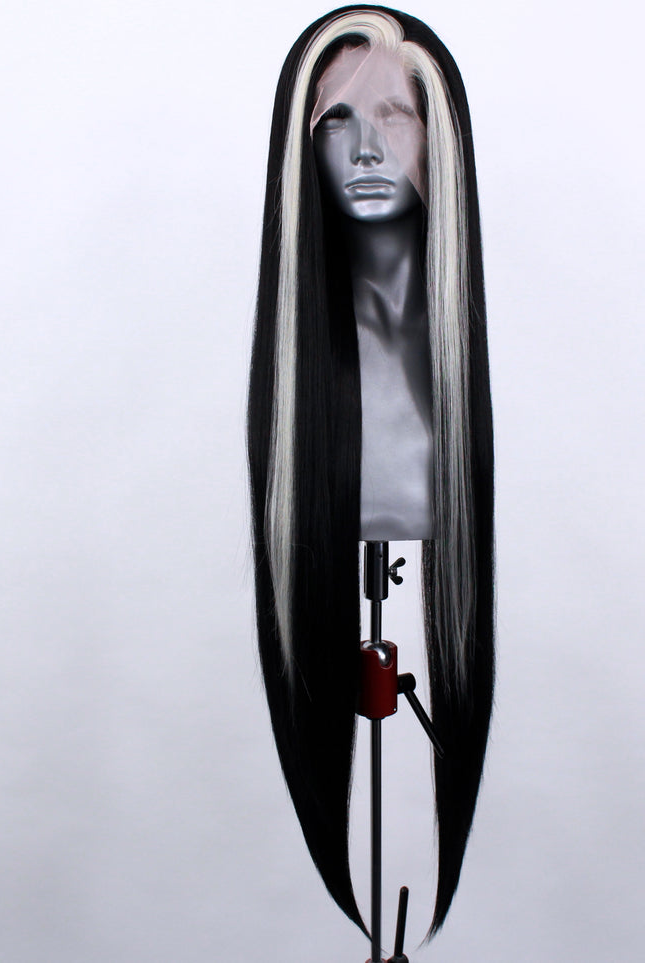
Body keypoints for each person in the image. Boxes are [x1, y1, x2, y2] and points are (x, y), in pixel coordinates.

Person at [247, 5, 494, 939]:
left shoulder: (452, 374)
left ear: (437, 139)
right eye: (337, 120)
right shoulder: (301, 386)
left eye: (394, 115)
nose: (364, 148)